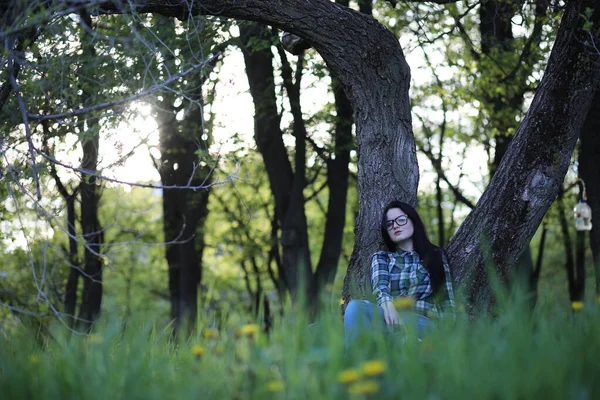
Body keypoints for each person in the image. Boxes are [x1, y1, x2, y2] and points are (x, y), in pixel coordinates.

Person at [344, 200, 455, 348]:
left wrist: (445, 335)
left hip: (422, 323)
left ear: (413, 221)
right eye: (389, 224)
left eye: (401, 220)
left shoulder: (435, 255)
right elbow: (380, 287)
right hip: (389, 319)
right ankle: (356, 362)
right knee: (355, 307)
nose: (395, 225)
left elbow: (447, 301)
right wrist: (389, 307)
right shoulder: (382, 257)